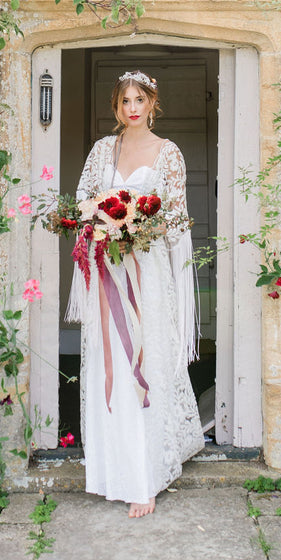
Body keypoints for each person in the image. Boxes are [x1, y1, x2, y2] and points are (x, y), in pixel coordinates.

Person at [66, 70, 204, 518]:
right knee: (111, 364)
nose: (132, 107)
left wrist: (137, 227)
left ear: (152, 104)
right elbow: (83, 199)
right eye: (125, 100)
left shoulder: (169, 153)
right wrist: (100, 223)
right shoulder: (103, 150)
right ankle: (112, 472)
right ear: (116, 106)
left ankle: (144, 478)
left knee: (145, 361)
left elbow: (177, 218)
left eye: (139, 100)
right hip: (107, 268)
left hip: (146, 274)